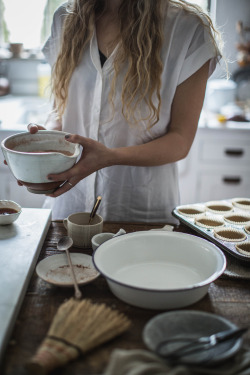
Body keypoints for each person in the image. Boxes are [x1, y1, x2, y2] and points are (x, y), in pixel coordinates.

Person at [27, 0, 222, 223]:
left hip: (141, 214)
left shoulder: (187, 27)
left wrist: (109, 157)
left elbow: (180, 140)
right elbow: (62, 108)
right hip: (70, 208)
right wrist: (47, 140)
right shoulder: (65, 17)